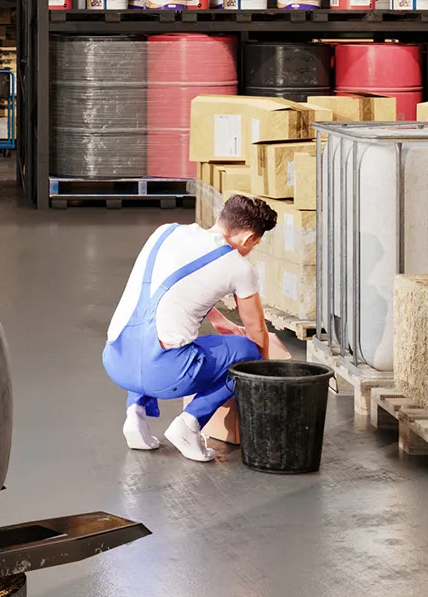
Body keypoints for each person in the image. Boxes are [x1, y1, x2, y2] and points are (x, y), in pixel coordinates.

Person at [104, 194, 289, 462]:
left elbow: (167, 288)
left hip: (116, 359)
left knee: (147, 332)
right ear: (248, 237)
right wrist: (263, 369)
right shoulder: (239, 266)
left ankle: (135, 414)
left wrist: (217, 318)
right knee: (250, 353)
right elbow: (256, 329)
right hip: (164, 374)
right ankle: (189, 424)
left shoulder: (166, 232)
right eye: (255, 244)